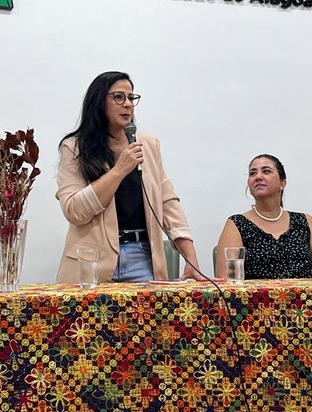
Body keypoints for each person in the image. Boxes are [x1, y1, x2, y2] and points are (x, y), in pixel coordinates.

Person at [55, 71, 204, 283]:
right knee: (86, 318)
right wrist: (119, 170)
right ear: (98, 102)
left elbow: (168, 202)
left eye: (131, 98)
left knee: (147, 317)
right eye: (118, 97)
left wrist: (190, 257)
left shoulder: (148, 144)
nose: (128, 104)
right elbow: (74, 211)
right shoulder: (74, 148)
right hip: (89, 263)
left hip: (142, 258)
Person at [215, 154, 312, 279]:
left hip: (306, 298)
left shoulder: (305, 222)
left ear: (282, 184)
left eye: (266, 171)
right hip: (254, 298)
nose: (258, 177)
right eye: (252, 173)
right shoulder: (236, 224)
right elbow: (228, 286)